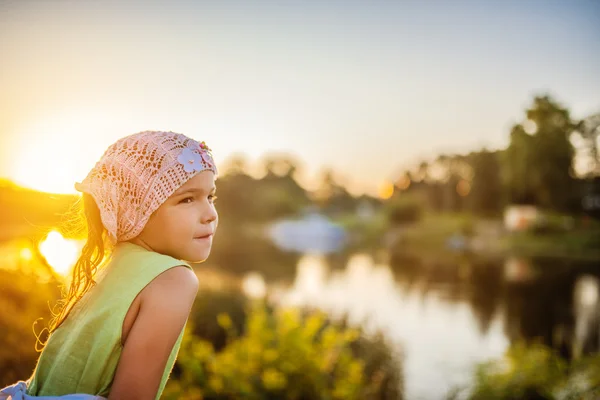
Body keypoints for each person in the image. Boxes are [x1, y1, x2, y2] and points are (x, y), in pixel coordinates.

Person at [1, 131, 218, 400]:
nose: (210, 214)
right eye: (187, 199)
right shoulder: (174, 281)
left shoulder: (110, 263)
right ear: (137, 208)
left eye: (211, 197)